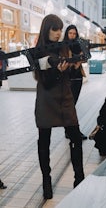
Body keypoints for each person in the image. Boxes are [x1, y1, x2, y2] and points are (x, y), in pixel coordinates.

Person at [34, 14, 84, 200]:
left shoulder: (63, 47)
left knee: (76, 138)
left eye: (60, 29)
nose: (58, 33)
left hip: (65, 97)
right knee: (44, 141)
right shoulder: (38, 51)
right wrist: (56, 71)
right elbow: (44, 82)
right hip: (47, 98)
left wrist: (73, 66)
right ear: (46, 29)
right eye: (55, 29)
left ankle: (79, 178)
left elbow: (68, 74)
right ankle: (46, 181)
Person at [63, 24, 87, 140]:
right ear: (66, 34)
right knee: (70, 106)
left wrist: (79, 61)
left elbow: (85, 57)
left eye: (74, 33)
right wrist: (72, 63)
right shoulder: (63, 46)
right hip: (68, 79)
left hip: (78, 78)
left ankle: (69, 131)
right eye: (70, 33)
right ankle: (72, 131)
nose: (72, 35)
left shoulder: (78, 45)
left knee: (72, 105)